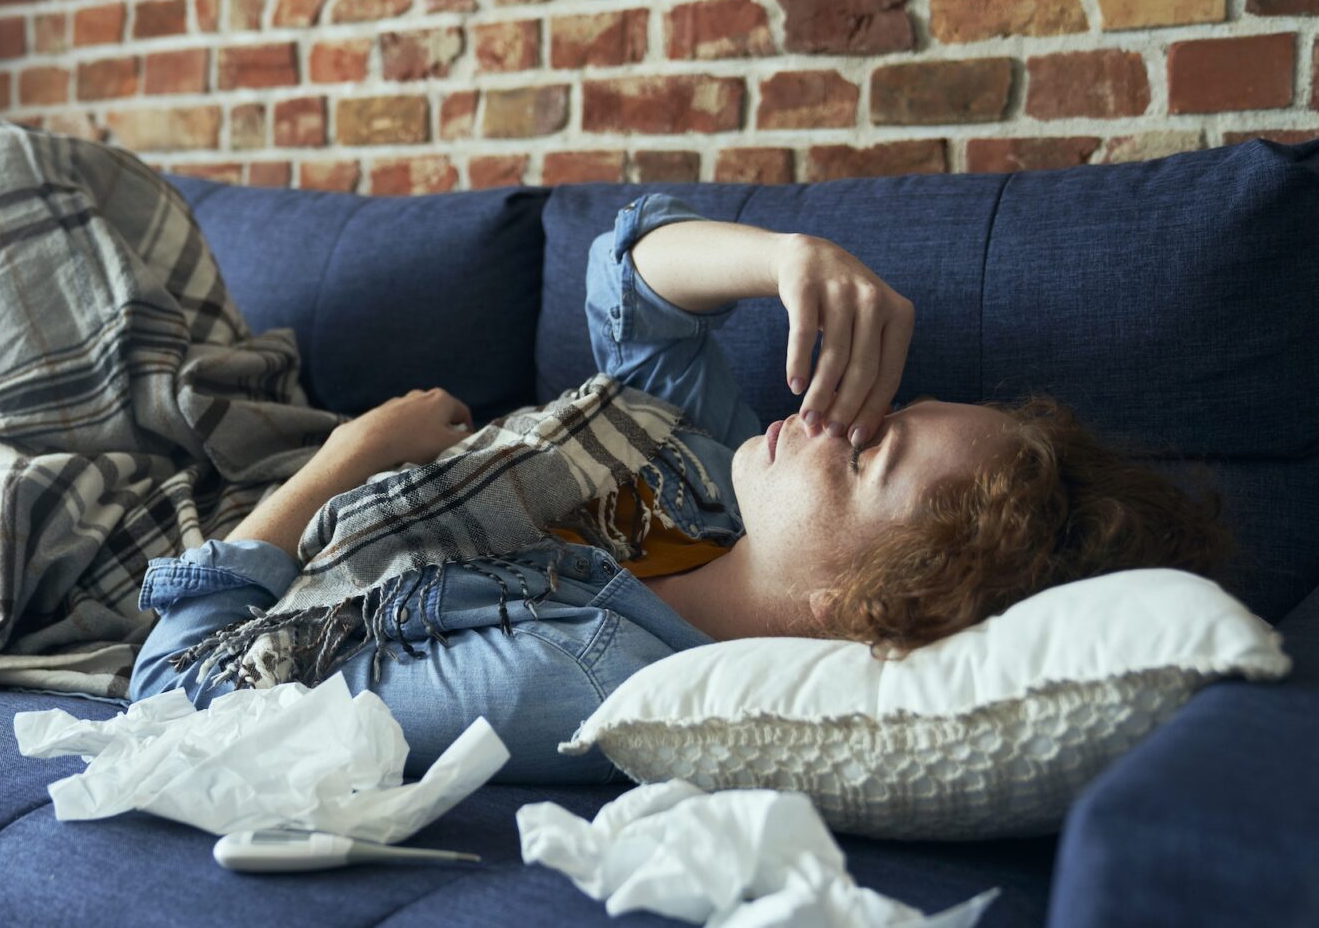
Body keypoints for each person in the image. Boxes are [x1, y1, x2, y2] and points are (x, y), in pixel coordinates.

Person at [129, 193, 1233, 782]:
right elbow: (633, 278)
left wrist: (352, 454)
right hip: (249, 443)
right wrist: (787, 257)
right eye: (877, 411)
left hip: (208, 530)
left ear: (863, 606)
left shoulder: (563, 674)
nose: (828, 420)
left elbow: (182, 690)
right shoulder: (707, 474)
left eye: (864, 453)